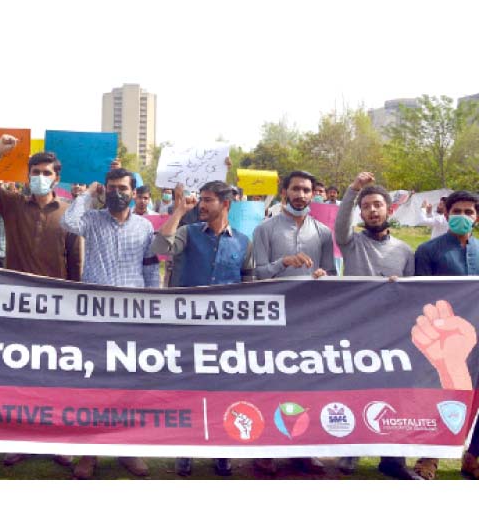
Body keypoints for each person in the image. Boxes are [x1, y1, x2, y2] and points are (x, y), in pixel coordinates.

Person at [0, 134, 81, 471]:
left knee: (56, 378)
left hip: (58, 310)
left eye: (46, 172)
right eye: (34, 171)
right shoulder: (13, 203)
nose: (39, 176)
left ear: (56, 177)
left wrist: (75, 307)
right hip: (17, 306)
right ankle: (18, 441)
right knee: (18, 376)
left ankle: (58, 442)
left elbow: (75, 264)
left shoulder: (69, 213)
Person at [62, 166, 160, 479]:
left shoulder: (145, 227)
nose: (117, 193)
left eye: (123, 188)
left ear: (134, 192)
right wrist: (89, 194)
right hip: (95, 315)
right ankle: (88, 454)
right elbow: (68, 221)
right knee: (92, 385)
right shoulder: (91, 220)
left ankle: (126, 449)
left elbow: (150, 270)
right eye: (112, 187)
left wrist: (154, 309)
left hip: (132, 317)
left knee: (128, 387)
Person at [152, 181, 254, 477]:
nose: (202, 205)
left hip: (226, 335)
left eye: (208, 200)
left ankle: (221, 451)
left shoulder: (244, 242)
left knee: (224, 392)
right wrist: (178, 212)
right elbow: (160, 247)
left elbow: (250, 283)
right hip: (187, 331)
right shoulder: (187, 232)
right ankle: (186, 449)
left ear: (226, 204)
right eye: (202, 200)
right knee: (187, 391)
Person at [333, 172, 421, 479]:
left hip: (394, 335)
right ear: (361, 212)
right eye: (366, 206)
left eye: (377, 205)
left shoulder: (404, 251)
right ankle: (350, 450)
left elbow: (413, 295)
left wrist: (399, 290)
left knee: (396, 394)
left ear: (389, 211)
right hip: (357, 331)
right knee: (356, 390)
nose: (372, 210)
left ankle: (393, 458)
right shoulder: (350, 243)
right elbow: (340, 223)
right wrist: (352, 190)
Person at [252, 170, 335, 475]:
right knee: (271, 383)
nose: (301, 195)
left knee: (306, 384)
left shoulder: (324, 232)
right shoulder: (265, 229)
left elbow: (332, 275)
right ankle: (264, 449)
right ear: (284, 191)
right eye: (296, 189)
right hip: (273, 319)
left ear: (314, 194)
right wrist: (283, 262)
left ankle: (303, 449)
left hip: (310, 319)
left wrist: (323, 275)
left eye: (307, 190)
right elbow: (258, 274)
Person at [413, 190, 479, 481]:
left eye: (469, 212)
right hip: (446, 341)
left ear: (477, 217)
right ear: (445, 214)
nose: (463, 217)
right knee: (445, 396)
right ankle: (430, 457)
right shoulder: (428, 251)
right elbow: (421, 296)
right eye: (457, 212)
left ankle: (473, 456)